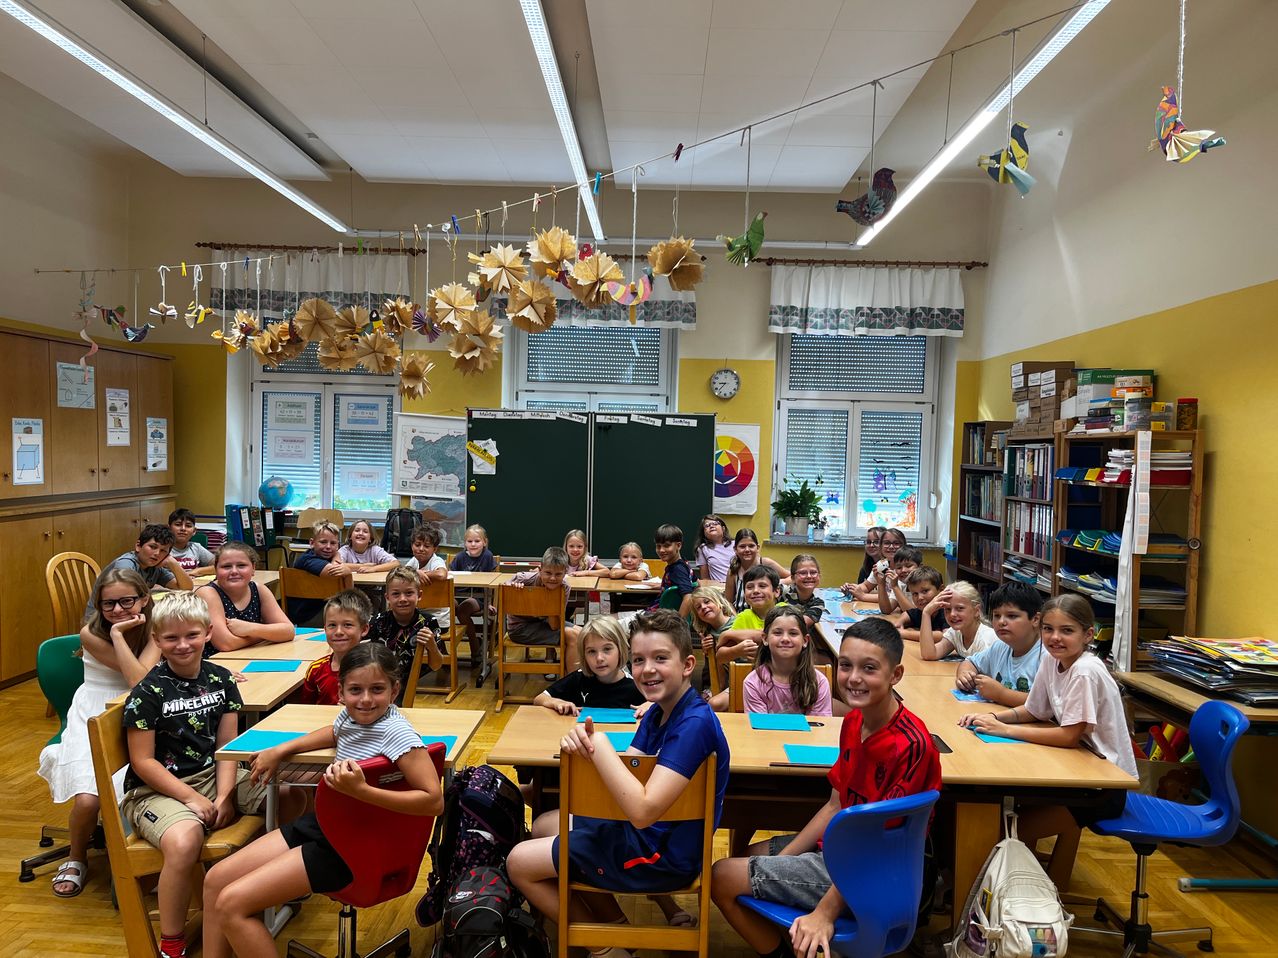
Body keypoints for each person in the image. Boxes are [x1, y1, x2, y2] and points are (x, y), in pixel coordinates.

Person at [711, 617, 942, 958]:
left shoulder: (911, 744)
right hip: (837, 850)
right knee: (742, 862)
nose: (854, 678)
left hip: (874, 870)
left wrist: (825, 912)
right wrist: (784, 863)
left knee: (722, 876)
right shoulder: (852, 721)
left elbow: (880, 847)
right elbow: (835, 805)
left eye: (869, 668)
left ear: (895, 675)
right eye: (846, 666)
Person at [507, 609, 730, 958]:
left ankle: (604, 945)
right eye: (639, 660)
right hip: (651, 837)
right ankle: (617, 926)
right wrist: (584, 750)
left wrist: (601, 749)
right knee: (544, 824)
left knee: (518, 862)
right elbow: (627, 778)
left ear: (688, 665)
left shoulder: (694, 724)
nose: (647, 669)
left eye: (660, 658)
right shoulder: (660, 711)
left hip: (661, 856)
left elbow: (641, 810)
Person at [202, 643, 443, 958]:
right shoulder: (351, 716)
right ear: (341, 692)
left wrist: (362, 791)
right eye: (356, 690)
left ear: (394, 690)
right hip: (326, 826)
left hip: (350, 847)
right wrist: (281, 750)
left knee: (232, 904)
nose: (366, 699)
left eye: (377, 689)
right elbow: (335, 730)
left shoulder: (397, 734)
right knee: (215, 879)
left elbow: (433, 801)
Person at [119, 592, 278, 958]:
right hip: (156, 790)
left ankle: (254, 892)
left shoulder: (222, 679)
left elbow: (227, 747)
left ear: (207, 633)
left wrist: (223, 796)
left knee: (288, 794)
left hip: (213, 775)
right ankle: (172, 942)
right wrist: (192, 798)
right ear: (157, 641)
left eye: (191, 635)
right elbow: (143, 763)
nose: (182, 645)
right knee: (185, 841)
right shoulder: (147, 692)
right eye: (171, 638)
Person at [959, 595, 1137, 886]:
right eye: (1049, 629)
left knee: (992, 834)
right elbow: (1033, 709)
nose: (1055, 638)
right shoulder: (1052, 661)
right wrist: (993, 717)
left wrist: (1005, 731)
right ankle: (1011, 882)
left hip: (1102, 787)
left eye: (1067, 631)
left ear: (1088, 635)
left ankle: (1010, 894)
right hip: (1078, 771)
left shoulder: (1085, 671)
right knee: (997, 816)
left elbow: (1069, 736)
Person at [39, 569, 159, 899]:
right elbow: (138, 679)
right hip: (94, 711)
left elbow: (146, 682)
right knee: (90, 799)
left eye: (127, 601)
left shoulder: (155, 628)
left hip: (139, 712)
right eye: (108, 604)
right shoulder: (90, 634)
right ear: (98, 605)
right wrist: (119, 636)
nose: (118, 610)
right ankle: (77, 856)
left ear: (144, 599)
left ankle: (145, 856)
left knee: (148, 788)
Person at [533, 616, 645, 715]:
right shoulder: (578, 679)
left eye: (607, 649)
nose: (599, 658)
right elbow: (539, 698)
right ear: (584, 655)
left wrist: (652, 706)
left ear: (621, 649)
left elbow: (658, 706)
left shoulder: (635, 685)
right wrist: (556, 702)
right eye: (591, 651)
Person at [956, 582, 1044, 707]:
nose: (1001, 622)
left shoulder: (1046, 656)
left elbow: (1044, 704)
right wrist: (965, 674)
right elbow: (970, 662)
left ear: (1035, 619)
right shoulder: (1001, 646)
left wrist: (1001, 694)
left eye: (1012, 616)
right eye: (997, 615)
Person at [710, 566, 785, 711]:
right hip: (749, 680)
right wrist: (737, 650)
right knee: (714, 704)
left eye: (762, 586)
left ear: (777, 591)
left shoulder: (784, 611)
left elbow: (775, 634)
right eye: (749, 587)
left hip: (784, 680)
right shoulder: (743, 617)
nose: (755, 591)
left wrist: (729, 634)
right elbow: (720, 656)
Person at [197, 542, 293, 654]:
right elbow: (225, 644)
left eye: (241, 565)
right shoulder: (208, 593)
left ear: (253, 568)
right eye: (226, 566)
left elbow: (288, 631)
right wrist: (269, 634)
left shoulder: (259, 589)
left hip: (250, 655)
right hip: (216, 664)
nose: (234, 571)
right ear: (216, 569)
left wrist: (250, 628)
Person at [83, 523, 189, 620]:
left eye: (163, 551)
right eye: (153, 547)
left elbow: (186, 587)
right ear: (138, 546)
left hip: (128, 613)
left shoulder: (155, 567)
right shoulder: (126, 564)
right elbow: (123, 598)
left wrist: (173, 563)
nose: (157, 553)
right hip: (103, 618)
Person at [367, 568, 440, 705]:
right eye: (396, 594)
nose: (402, 599)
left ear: (419, 595)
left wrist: (432, 646)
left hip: (405, 684)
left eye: (409, 593)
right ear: (387, 597)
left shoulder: (428, 622)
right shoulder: (378, 621)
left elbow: (436, 666)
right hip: (375, 680)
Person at [743, 606, 832, 716]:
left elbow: (819, 728)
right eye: (777, 633)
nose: (785, 639)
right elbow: (760, 729)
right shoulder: (753, 683)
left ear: (805, 640)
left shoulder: (819, 682)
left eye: (793, 633)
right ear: (765, 639)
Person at [509, 547, 582, 670]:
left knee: (584, 633)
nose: (553, 578)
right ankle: (571, 684)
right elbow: (505, 586)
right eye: (548, 573)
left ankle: (578, 676)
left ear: (565, 572)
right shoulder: (524, 579)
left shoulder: (564, 588)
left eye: (558, 574)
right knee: (572, 636)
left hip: (546, 623)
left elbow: (554, 626)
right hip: (520, 629)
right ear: (540, 569)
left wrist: (551, 601)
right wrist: (513, 587)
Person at [299, 590, 373, 705]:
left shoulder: (375, 670)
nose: (338, 632)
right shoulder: (316, 670)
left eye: (347, 625)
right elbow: (306, 711)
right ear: (325, 629)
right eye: (332, 625)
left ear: (364, 629)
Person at [451, 524, 497, 669]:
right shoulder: (459, 557)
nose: (473, 544)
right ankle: (445, 653)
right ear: (465, 543)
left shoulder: (487, 556)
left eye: (477, 541)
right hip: (459, 595)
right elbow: (450, 577)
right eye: (469, 541)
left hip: (478, 598)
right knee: (451, 606)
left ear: (484, 542)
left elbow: (492, 582)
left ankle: (475, 648)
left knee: (464, 610)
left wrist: (490, 603)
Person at [287, 520, 346, 626]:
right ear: (312, 543)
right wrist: (337, 555)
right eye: (323, 542)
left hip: (320, 609)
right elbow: (335, 571)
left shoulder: (326, 558)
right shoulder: (308, 559)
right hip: (307, 616)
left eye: (333, 543)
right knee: (353, 616)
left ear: (338, 545)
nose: (328, 547)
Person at [919, 581, 996, 661]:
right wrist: (926, 613)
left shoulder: (985, 639)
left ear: (977, 611)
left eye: (960, 608)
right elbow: (929, 654)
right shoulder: (955, 633)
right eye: (948, 609)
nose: (952, 614)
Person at [723, 529, 788, 612]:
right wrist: (736, 618)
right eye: (742, 546)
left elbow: (792, 577)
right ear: (735, 549)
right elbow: (728, 602)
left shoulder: (766, 563)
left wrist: (774, 583)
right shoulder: (733, 571)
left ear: (757, 548)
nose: (747, 550)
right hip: (741, 617)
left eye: (751, 546)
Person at [403, 525, 451, 633]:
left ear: (434, 549)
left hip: (438, 621)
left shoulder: (436, 561)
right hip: (418, 618)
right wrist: (416, 573)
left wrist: (423, 574)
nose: (421, 549)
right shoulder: (414, 561)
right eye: (417, 545)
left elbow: (441, 574)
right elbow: (402, 572)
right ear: (412, 545)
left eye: (426, 546)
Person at [689, 586, 737, 693]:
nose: (704, 607)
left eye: (707, 602)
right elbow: (711, 667)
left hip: (739, 677)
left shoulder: (737, 624)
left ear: (719, 602)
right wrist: (707, 651)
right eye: (698, 607)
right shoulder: (707, 634)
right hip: (720, 681)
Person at [843, 527, 906, 600]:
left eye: (896, 543)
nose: (891, 547)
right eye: (887, 543)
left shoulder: (906, 568)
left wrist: (863, 596)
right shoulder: (881, 565)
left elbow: (896, 596)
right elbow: (866, 586)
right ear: (881, 546)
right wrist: (851, 589)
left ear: (904, 545)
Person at [651, 523, 696, 617]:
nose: (661, 550)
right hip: (661, 614)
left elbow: (688, 597)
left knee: (614, 620)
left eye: (666, 546)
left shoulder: (677, 570)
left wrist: (678, 624)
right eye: (658, 546)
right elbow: (697, 583)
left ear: (678, 546)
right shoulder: (684, 563)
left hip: (659, 617)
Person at [893, 566, 947, 642]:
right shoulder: (922, 610)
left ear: (941, 590)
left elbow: (943, 636)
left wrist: (905, 633)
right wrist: (899, 623)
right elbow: (908, 614)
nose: (919, 598)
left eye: (925, 591)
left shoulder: (948, 610)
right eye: (915, 594)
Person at [781, 554, 826, 628]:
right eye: (803, 573)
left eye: (813, 572)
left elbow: (801, 625)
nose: (809, 576)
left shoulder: (818, 604)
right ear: (793, 578)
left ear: (819, 576)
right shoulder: (782, 592)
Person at [167, 508, 214, 575]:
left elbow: (219, 566)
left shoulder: (196, 548)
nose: (183, 529)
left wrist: (197, 571)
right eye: (178, 524)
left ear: (194, 531)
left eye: (188, 526)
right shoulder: (162, 549)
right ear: (169, 528)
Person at [876, 546, 923, 613]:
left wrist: (895, 587)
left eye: (908, 566)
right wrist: (881, 583)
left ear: (920, 567)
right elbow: (886, 610)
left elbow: (915, 615)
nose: (903, 570)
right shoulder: (900, 585)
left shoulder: (924, 585)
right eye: (899, 567)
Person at [694, 514, 733, 583]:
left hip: (738, 586)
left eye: (715, 523)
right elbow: (705, 578)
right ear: (704, 533)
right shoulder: (703, 549)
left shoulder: (736, 544)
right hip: (718, 588)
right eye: (707, 525)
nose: (711, 526)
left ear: (723, 528)